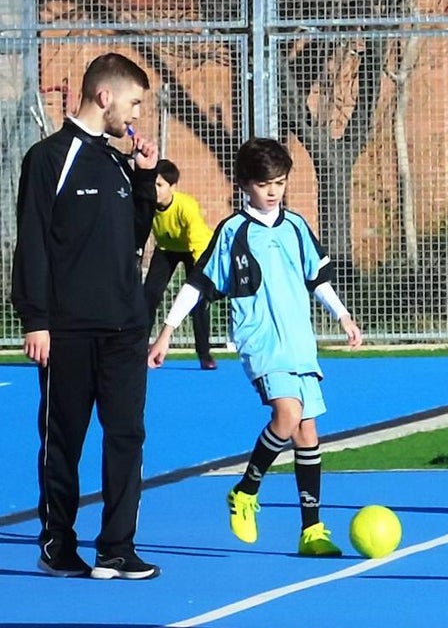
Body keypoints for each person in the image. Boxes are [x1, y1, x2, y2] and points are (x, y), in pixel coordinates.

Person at [147, 137, 362, 556]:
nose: (272, 191)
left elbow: (317, 278)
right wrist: (167, 330)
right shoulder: (233, 231)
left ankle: (311, 530)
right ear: (245, 183)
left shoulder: (297, 226)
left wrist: (343, 315)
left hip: (300, 342)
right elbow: (199, 283)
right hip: (261, 341)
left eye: (279, 182)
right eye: (264, 183)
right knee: (288, 413)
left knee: (307, 433)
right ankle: (246, 491)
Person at [10, 52, 162, 579]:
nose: (137, 115)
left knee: (126, 435)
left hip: (124, 328)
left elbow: (131, 240)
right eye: (134, 102)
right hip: (68, 329)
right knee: (63, 439)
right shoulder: (49, 158)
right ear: (105, 96)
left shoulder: (119, 161)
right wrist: (35, 318)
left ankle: (116, 548)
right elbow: (31, 242)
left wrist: (146, 183)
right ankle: (57, 544)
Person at [144, 158, 217, 369]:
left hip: (195, 250)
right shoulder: (146, 204)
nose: (154, 190)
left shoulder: (186, 206)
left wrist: (200, 278)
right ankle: (138, 350)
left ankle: (205, 355)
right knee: (148, 297)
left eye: (159, 185)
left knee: (198, 302)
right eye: (152, 184)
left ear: (172, 187)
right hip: (166, 249)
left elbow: (197, 244)